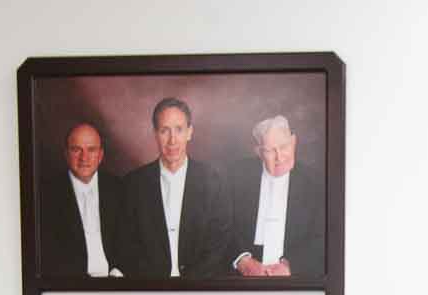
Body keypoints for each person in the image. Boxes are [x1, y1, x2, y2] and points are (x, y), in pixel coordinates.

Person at [116, 97, 228, 279]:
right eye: (164, 131)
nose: (172, 140)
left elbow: (219, 242)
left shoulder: (212, 180)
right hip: (150, 289)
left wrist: (189, 285)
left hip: (200, 288)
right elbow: (126, 244)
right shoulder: (133, 184)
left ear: (190, 132)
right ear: (155, 133)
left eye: (179, 129)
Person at [226, 114, 325, 278]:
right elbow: (222, 226)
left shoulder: (317, 182)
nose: (279, 157)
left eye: (284, 146)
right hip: (242, 277)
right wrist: (242, 260)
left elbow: (324, 238)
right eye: (270, 150)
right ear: (258, 152)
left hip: (295, 279)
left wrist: (291, 267)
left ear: (294, 141)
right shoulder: (236, 176)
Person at [39, 123, 122, 277]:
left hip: (115, 281)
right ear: (66, 154)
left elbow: (130, 241)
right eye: (76, 149)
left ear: (100, 155)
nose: (84, 157)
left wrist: (117, 274)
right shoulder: (46, 194)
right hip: (71, 284)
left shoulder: (118, 189)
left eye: (91, 150)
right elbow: (47, 254)